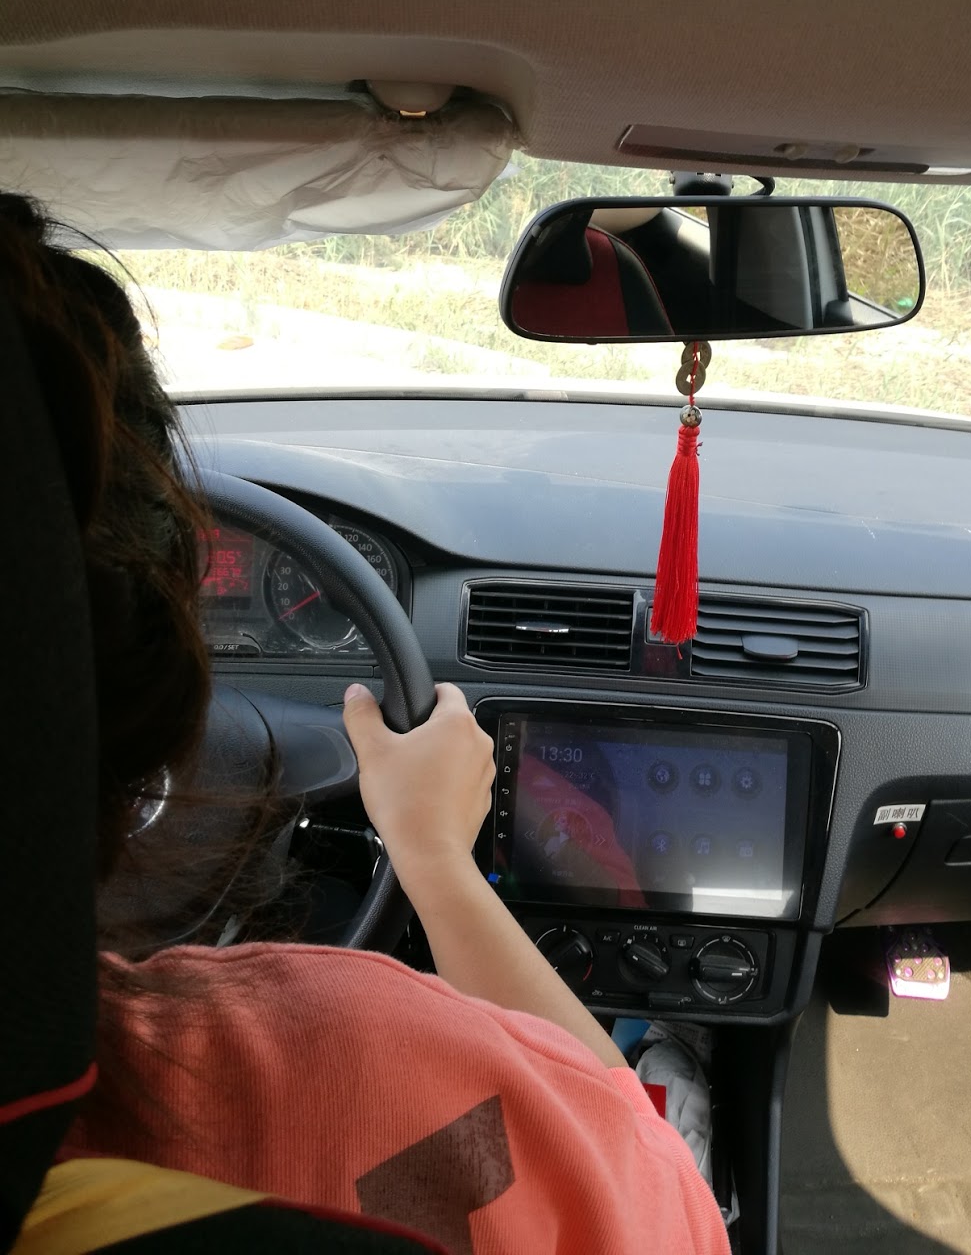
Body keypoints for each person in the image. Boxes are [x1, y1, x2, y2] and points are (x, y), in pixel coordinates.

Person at [1, 193, 729, 1255]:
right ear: (83, 682)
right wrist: (433, 858)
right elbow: (644, 1184)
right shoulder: (358, 1065)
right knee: (661, 1114)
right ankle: (678, 1057)